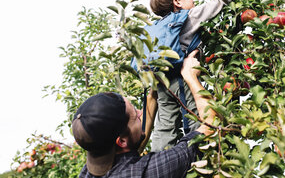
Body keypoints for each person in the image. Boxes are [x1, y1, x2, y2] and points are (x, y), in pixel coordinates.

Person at [150, 0, 252, 151]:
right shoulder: (189, 16)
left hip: (161, 80)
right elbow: (220, 2)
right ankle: (198, 151)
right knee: (195, 112)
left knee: (164, 122)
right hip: (181, 76)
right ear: (177, 3)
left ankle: (158, 157)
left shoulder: (161, 25)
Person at [72, 50, 214, 177]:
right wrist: (191, 76)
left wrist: (153, 91)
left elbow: (132, 146)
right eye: (135, 114)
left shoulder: (87, 173)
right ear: (121, 141)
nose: (141, 113)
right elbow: (211, 127)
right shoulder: (148, 172)